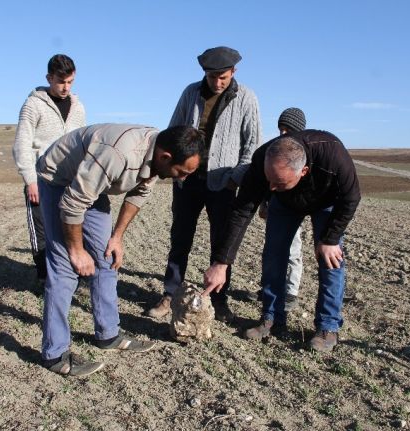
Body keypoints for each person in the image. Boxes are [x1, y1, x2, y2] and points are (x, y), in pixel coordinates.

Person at [36, 124, 204, 376]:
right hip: (59, 180)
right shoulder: (118, 154)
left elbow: (138, 194)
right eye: (182, 172)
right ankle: (55, 354)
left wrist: (116, 237)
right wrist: (77, 250)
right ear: (165, 157)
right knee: (65, 268)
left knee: (107, 257)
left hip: (90, 185)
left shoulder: (158, 154)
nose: (183, 178)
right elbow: (72, 204)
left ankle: (108, 334)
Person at [203, 130, 361, 352]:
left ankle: (328, 327)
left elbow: (351, 197)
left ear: (303, 171)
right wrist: (221, 262)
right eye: (269, 180)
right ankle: (272, 318)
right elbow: (241, 212)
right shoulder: (262, 161)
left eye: (278, 181)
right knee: (273, 255)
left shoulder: (332, 155)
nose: (270, 188)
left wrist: (330, 238)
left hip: (326, 201)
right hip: (286, 204)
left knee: (331, 261)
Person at [146, 46, 262, 322]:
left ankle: (219, 299)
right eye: (212, 77)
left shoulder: (246, 98)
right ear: (204, 74)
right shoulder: (190, 93)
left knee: (221, 243)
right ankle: (170, 295)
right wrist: (176, 171)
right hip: (188, 180)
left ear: (233, 72)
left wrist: (235, 178)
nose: (217, 82)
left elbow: (252, 144)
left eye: (222, 77)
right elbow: (173, 131)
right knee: (180, 238)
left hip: (224, 182)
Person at [13, 54, 86, 286]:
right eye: (61, 81)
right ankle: (44, 277)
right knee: (42, 230)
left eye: (70, 82)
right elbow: (22, 143)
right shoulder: (33, 105)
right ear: (49, 78)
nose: (65, 87)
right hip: (41, 179)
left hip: (71, 180)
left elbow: (83, 142)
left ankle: (72, 276)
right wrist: (30, 180)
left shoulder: (78, 107)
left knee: (73, 226)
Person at [257, 108, 307, 311]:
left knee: (293, 250)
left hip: (294, 209)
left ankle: (291, 292)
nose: (283, 134)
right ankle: (269, 287)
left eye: (288, 130)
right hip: (276, 208)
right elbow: (267, 181)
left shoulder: (301, 154)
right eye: (281, 129)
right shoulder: (275, 150)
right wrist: (264, 203)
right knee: (271, 250)